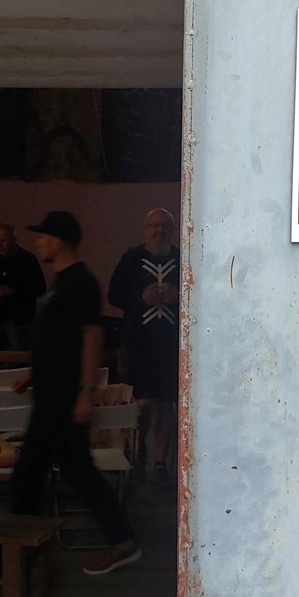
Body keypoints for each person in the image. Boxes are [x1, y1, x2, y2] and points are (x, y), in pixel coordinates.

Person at [12, 210, 141, 575]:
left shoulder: (81, 283)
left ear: (58, 240)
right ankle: (20, 554)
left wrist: (86, 393)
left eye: (43, 236)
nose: (38, 242)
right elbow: (60, 340)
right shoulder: (62, 282)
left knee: (39, 474)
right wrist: (34, 373)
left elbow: (91, 338)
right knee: (54, 472)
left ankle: (16, 556)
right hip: (51, 394)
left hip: (63, 399)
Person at [107, 208, 179, 487]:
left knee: (167, 404)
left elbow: (201, 293)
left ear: (172, 230)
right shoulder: (131, 259)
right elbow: (114, 295)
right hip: (138, 344)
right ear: (145, 228)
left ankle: (160, 463)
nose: (159, 231)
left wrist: (179, 297)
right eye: (154, 225)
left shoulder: (180, 258)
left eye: (164, 226)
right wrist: (140, 299)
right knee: (143, 404)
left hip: (170, 346)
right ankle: (138, 454)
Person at [0, 223, 45, 350]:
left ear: (13, 240)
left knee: (15, 358)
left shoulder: (26, 259)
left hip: (17, 321)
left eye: (3, 241)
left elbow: (40, 288)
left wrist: (13, 291)